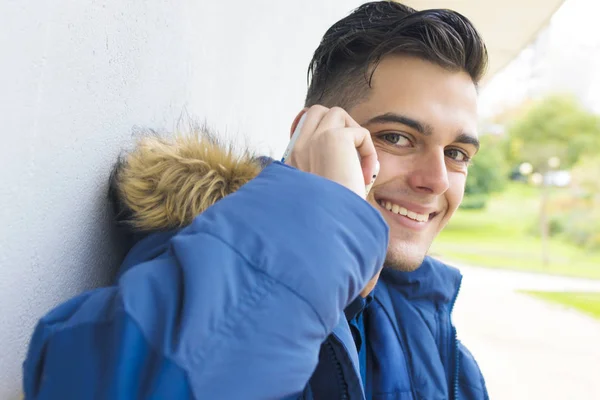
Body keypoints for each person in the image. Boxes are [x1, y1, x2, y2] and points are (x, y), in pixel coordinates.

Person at [23, 1, 489, 399]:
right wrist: (324, 215)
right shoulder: (201, 260)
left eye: (456, 153)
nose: (436, 180)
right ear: (313, 132)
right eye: (398, 137)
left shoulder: (436, 339)